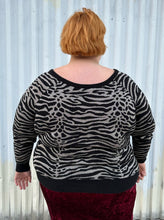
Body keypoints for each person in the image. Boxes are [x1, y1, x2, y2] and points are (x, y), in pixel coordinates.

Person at [13, 8, 155, 220]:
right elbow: (145, 127)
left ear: (66, 38)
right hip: (116, 182)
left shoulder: (42, 85)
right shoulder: (125, 85)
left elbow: (22, 129)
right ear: (100, 39)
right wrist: (140, 158)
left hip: (59, 182)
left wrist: (22, 166)